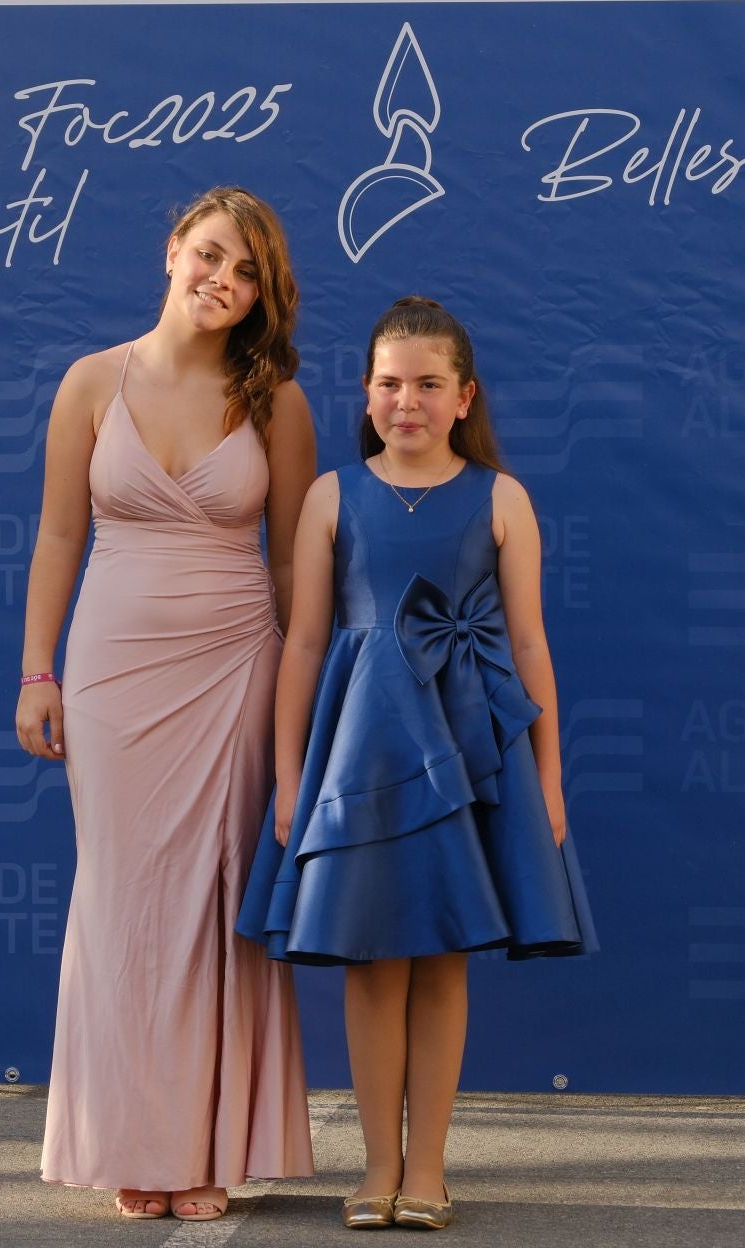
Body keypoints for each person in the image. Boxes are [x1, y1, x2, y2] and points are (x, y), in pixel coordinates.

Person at [236, 296, 597, 1231]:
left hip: (472, 749)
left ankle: (428, 1169)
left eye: (429, 384)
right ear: (366, 392)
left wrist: (549, 779)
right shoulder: (330, 495)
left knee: (442, 958)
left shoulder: (502, 498)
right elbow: (305, 645)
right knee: (370, 960)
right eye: (391, 384)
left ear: (464, 396)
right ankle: (377, 1167)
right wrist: (288, 777)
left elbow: (531, 646)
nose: (408, 401)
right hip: (361, 750)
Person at [17, 186, 318, 1222]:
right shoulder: (91, 382)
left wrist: (300, 700)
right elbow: (61, 535)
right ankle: (130, 1143)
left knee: (213, 907)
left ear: (258, 299)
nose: (221, 282)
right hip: (110, 670)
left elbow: (293, 567)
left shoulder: (277, 400)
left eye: (244, 275)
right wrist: (36, 670)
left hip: (238, 664)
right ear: (171, 250)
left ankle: (202, 1147)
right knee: (123, 900)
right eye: (210, 256)